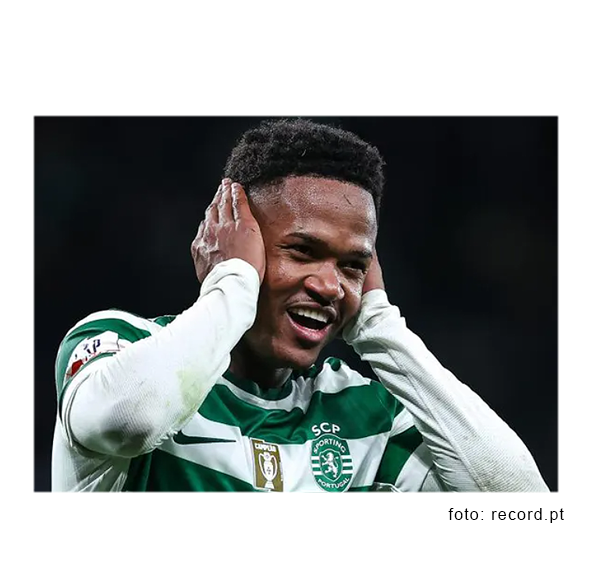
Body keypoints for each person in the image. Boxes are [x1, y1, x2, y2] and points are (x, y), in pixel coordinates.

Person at [51, 119, 549, 492]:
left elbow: (518, 504)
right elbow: (132, 422)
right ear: (234, 240)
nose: (331, 285)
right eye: (303, 251)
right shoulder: (119, 344)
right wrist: (234, 282)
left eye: (352, 265)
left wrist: (380, 325)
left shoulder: (367, 416)